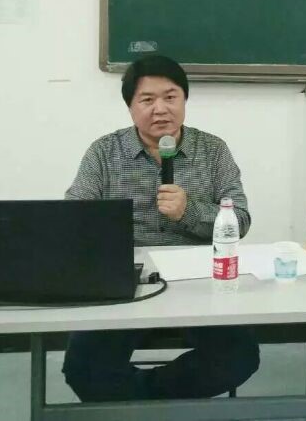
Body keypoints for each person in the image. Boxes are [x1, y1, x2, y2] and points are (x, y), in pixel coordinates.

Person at [61, 55, 260, 401]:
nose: (161, 109)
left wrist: (189, 211)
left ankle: (143, 401)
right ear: (130, 106)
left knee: (239, 356)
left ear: (184, 100)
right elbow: (74, 218)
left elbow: (239, 220)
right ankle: (159, 403)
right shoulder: (104, 153)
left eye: (170, 97)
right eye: (147, 100)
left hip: (200, 281)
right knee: (83, 366)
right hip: (125, 280)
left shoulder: (213, 150)